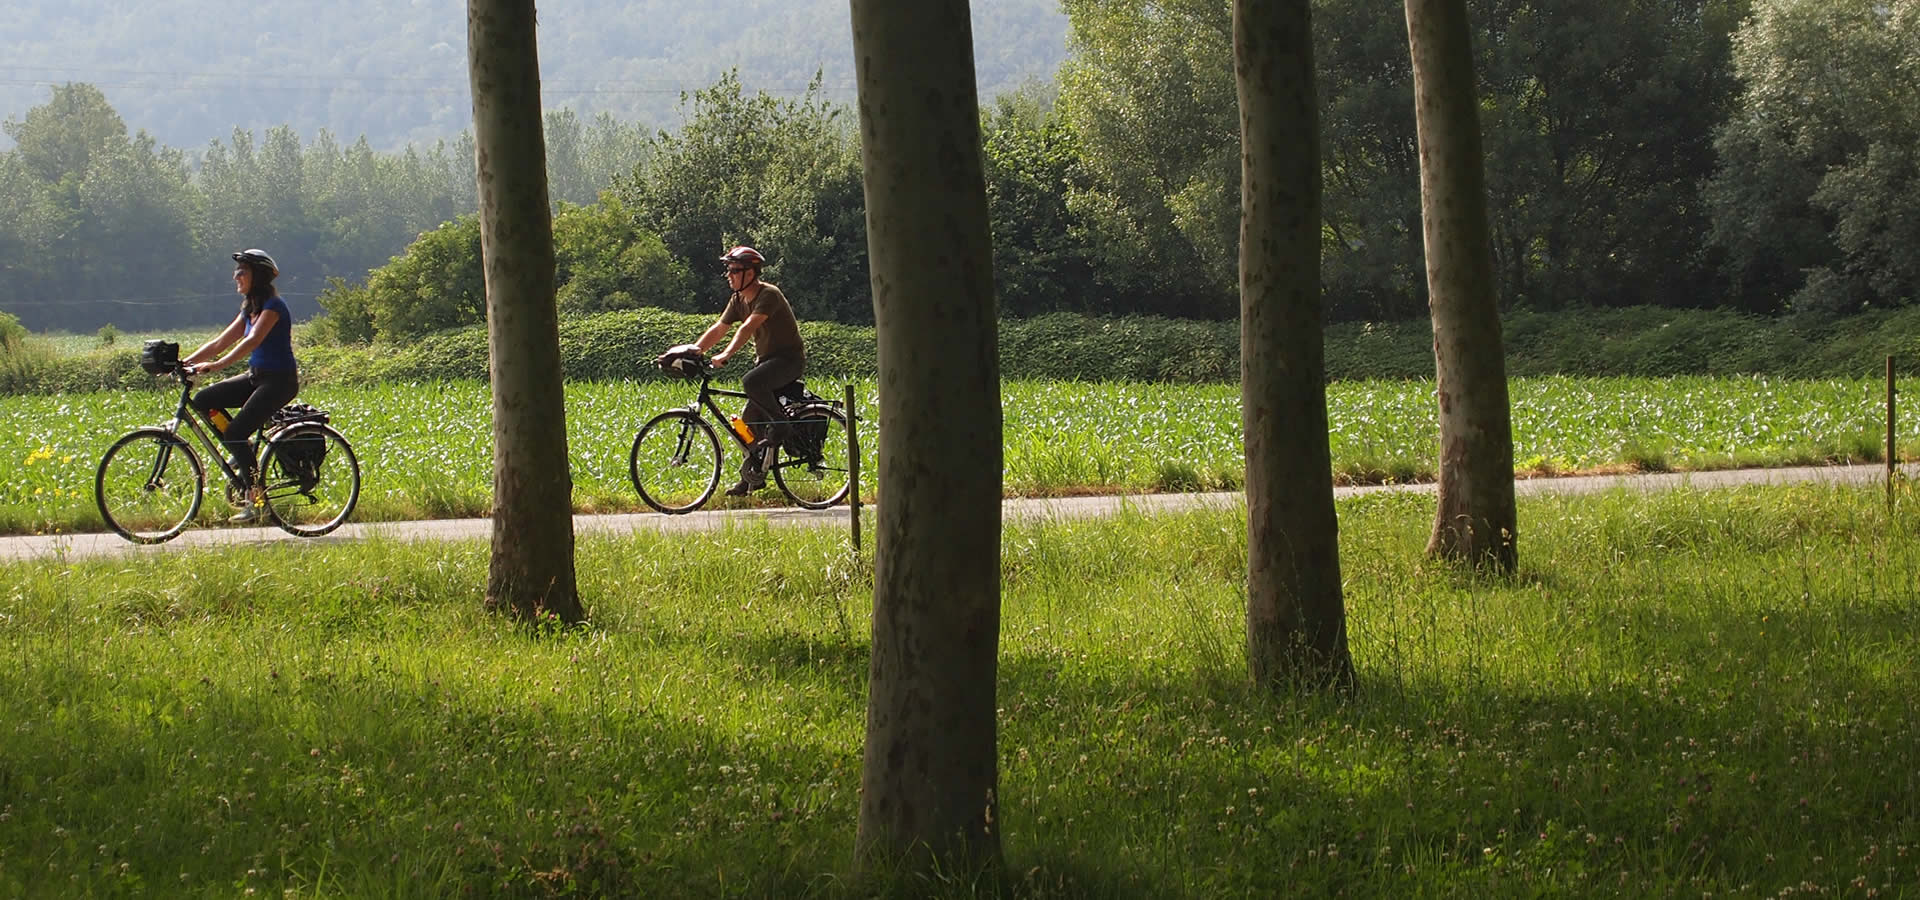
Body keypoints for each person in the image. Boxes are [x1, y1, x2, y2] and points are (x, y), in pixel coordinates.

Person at [664, 245, 805, 496]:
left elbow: (748, 327)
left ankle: (782, 425)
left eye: (734, 270)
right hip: (767, 362)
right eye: (728, 270)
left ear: (750, 273)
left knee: (751, 382)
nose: (729, 275)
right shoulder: (738, 299)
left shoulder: (768, 294)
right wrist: (695, 351)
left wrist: (726, 354)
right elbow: (720, 327)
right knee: (748, 424)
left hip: (788, 360)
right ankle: (753, 478)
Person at [181, 249, 299, 523]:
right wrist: (183, 362)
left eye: (242, 271)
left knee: (234, 432)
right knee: (203, 400)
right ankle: (241, 451)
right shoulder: (250, 308)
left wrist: (219, 366)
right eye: (237, 271)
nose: (236, 276)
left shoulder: (273, 307)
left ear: (257, 277)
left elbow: (252, 341)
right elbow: (219, 342)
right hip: (257, 376)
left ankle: (257, 501)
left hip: (279, 381)